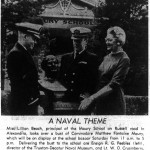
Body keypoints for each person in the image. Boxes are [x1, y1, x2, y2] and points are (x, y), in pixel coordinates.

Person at [78, 26, 130, 115]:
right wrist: (88, 94)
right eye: (106, 40)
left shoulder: (124, 59)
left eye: (110, 40)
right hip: (101, 100)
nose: (107, 42)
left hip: (114, 103)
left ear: (118, 41)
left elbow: (113, 85)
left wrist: (91, 98)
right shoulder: (107, 57)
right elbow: (99, 79)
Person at [7, 22, 44, 115]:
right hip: (24, 106)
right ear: (25, 36)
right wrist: (36, 105)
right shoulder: (16, 54)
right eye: (34, 39)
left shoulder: (21, 52)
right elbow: (22, 85)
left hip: (26, 104)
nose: (35, 42)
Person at [59, 27, 99, 103]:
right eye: (74, 41)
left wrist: (88, 95)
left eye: (78, 41)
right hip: (66, 99)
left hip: (82, 100)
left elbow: (94, 81)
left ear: (86, 41)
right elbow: (61, 78)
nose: (76, 43)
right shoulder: (65, 58)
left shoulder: (92, 58)